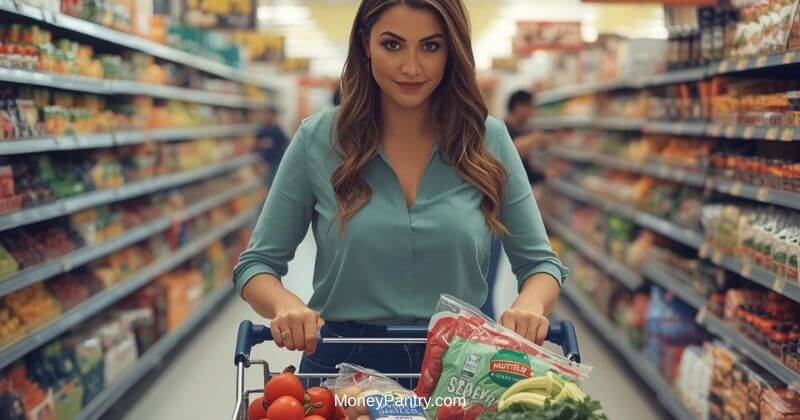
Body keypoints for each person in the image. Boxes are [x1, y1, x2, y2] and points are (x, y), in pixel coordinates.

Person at [233, 0, 567, 389]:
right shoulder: (318, 140)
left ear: (452, 50)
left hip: (459, 375)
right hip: (342, 375)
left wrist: (529, 304)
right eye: (392, 45)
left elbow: (541, 264)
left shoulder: (487, 139)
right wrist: (286, 306)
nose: (411, 67)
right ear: (365, 45)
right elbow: (255, 265)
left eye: (430, 46)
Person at [503, 90, 544, 184]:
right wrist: (534, 138)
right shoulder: (501, 130)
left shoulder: (520, 131)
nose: (532, 113)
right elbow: (511, 153)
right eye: (531, 107)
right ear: (519, 107)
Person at [256, 106, 289, 181]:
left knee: (273, 181)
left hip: (276, 162)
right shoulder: (262, 130)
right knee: (267, 182)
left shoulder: (278, 131)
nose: (270, 117)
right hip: (265, 162)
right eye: (268, 115)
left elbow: (285, 144)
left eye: (272, 115)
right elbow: (256, 144)